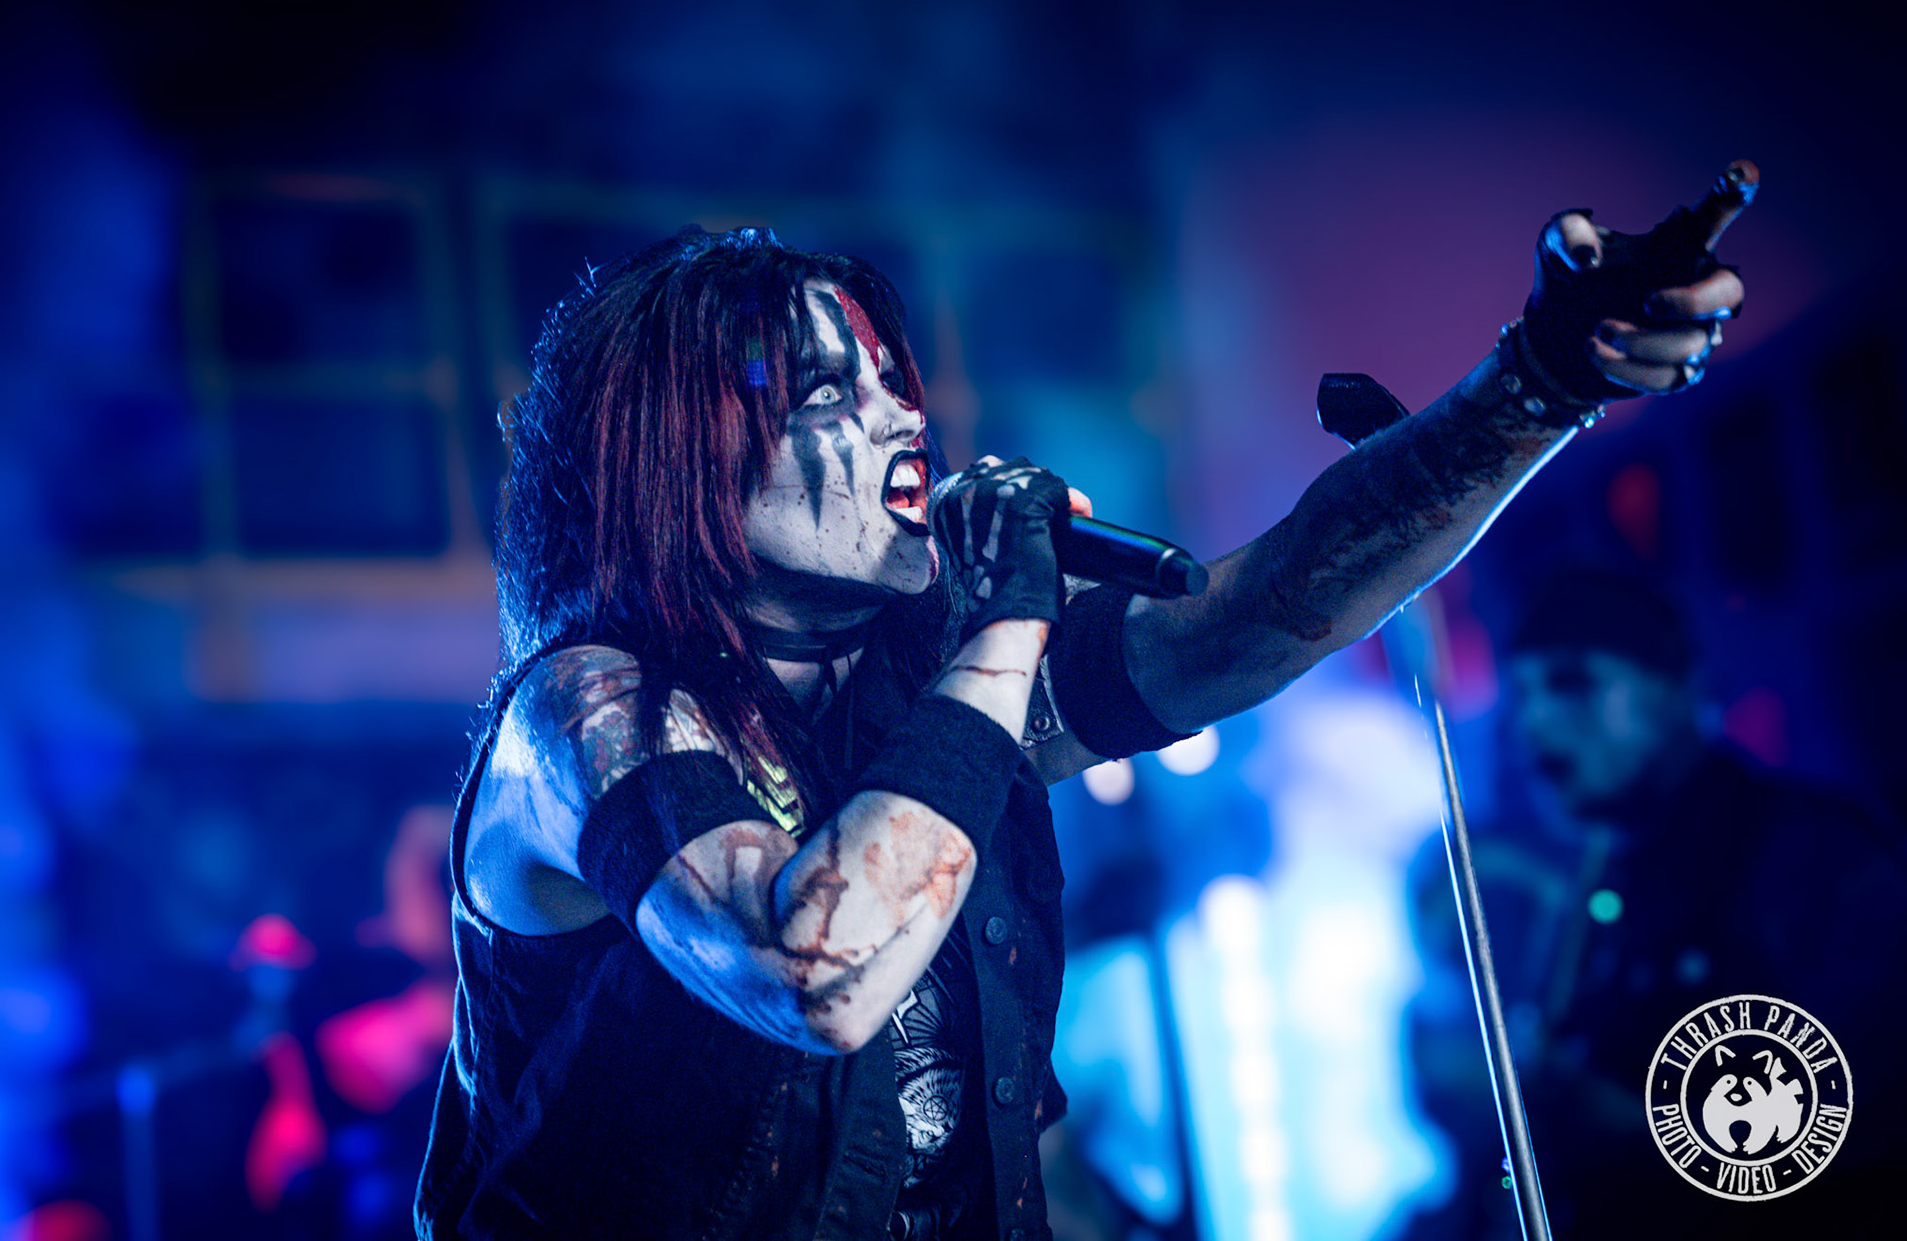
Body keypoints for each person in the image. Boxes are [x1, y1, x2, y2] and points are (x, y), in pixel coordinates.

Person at [416, 165, 1754, 1239]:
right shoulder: (586, 711)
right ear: (679, 461)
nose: (902, 419)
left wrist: (1536, 385)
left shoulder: (923, 680)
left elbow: (1261, 608)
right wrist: (1008, 615)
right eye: (830, 391)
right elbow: (813, 970)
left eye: (894, 381)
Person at [1403, 570, 1907, 1239]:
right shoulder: (1599, 879)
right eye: (1521, 693)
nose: (1533, 722)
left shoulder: (1809, 853)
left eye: (1573, 681)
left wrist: (1636, 1132)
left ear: (1679, 687)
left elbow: (1877, 1114)